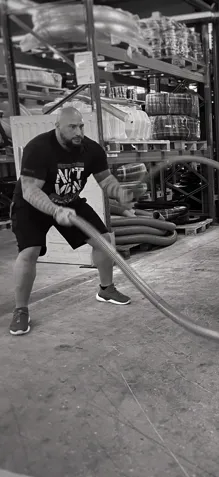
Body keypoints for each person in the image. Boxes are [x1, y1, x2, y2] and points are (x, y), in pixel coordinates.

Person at [9, 107, 133, 336]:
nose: (78, 131)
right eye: (72, 127)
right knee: (29, 252)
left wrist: (120, 192)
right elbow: (30, 190)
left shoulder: (91, 149)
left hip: (69, 201)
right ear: (58, 127)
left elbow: (105, 180)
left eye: (81, 126)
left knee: (104, 241)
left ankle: (106, 289)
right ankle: (20, 310)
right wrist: (55, 210)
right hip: (33, 204)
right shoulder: (39, 148)